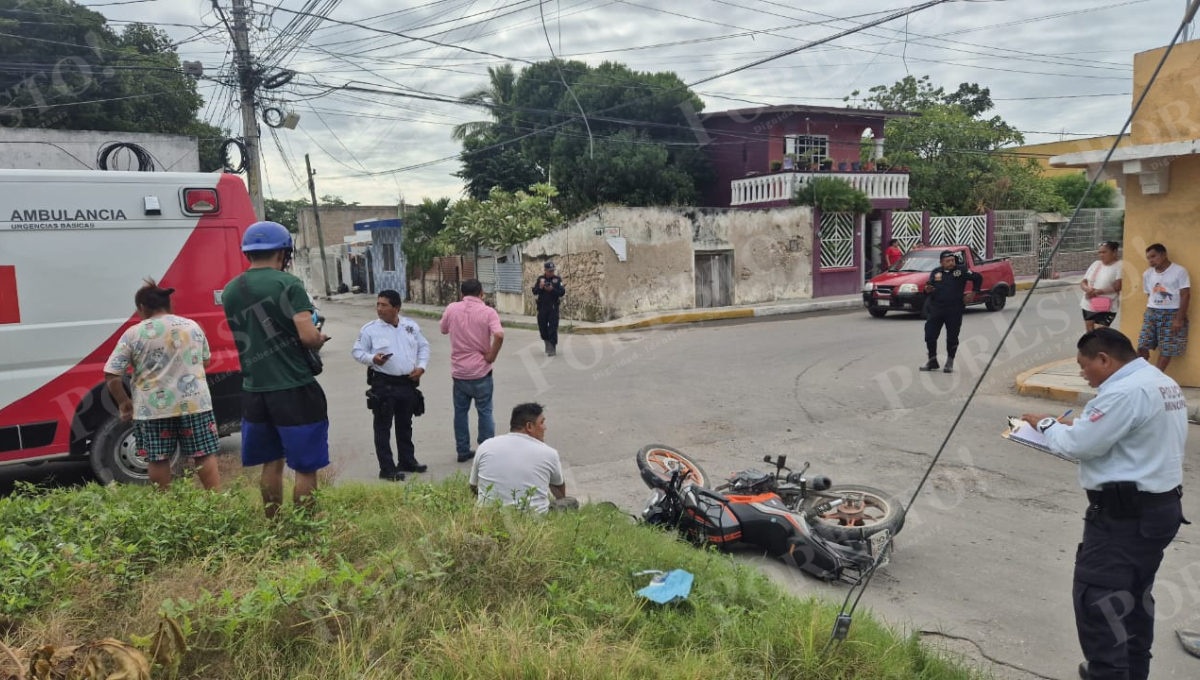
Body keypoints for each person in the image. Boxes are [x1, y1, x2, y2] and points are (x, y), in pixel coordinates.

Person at [1022, 328, 1186, 680]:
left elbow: (1078, 446)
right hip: (1157, 511)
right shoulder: (1156, 379)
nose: (1082, 374)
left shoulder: (1123, 392)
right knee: (1133, 602)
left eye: (1084, 366)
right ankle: (1130, 670)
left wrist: (1048, 424)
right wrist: (1076, 426)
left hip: (1123, 518)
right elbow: (1124, 434)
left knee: (1100, 603)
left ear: (1104, 359)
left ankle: (1108, 672)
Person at [222, 221, 331, 518]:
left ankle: (275, 524)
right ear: (283, 252)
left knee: (272, 461)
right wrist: (318, 339)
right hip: (294, 388)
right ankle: (304, 528)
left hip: (254, 390)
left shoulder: (232, 290)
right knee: (306, 467)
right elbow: (308, 338)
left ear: (249, 253)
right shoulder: (289, 284)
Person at [103, 279, 221, 491]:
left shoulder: (133, 334)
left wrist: (124, 402)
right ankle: (217, 503)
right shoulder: (192, 327)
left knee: (157, 459)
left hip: (152, 409)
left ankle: (166, 509)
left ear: (141, 307)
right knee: (203, 454)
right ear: (170, 304)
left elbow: (111, 374)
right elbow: (205, 361)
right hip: (195, 403)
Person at [352, 290, 431, 480]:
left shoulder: (410, 326)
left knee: (405, 424)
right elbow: (357, 352)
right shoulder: (370, 329)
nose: (379, 309)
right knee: (383, 427)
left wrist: (421, 367)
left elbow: (424, 346)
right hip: (383, 383)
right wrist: (373, 359)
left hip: (407, 382)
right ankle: (387, 468)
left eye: (384, 305)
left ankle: (407, 461)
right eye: (378, 304)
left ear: (396, 308)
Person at [469, 402, 577, 513]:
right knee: (571, 502)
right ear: (529, 426)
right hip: (534, 518)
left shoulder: (486, 446)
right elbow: (559, 492)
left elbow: (473, 486)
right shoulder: (549, 453)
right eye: (542, 422)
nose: (545, 427)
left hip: (490, 516)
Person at [439, 279, 504, 463]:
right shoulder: (488, 312)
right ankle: (486, 451)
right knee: (484, 411)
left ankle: (462, 450)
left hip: (459, 371)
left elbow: (443, 329)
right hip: (481, 370)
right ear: (481, 293)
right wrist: (492, 355)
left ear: (461, 294)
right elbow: (499, 334)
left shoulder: (452, 308)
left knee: (460, 412)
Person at [920, 250, 983, 374]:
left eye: (952, 260)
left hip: (954, 309)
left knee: (952, 337)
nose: (951, 263)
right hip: (936, 309)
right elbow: (929, 288)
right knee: (930, 336)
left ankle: (950, 362)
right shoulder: (936, 272)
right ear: (941, 262)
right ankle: (932, 361)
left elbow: (978, 278)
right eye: (948, 261)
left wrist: (973, 293)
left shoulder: (961, 271)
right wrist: (927, 290)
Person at [1139, 243, 1190, 371]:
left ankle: (1155, 377)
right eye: (1148, 258)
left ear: (1164, 255)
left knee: (1167, 348)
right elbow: (1149, 294)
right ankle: (1140, 372)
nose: (1151, 260)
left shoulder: (1179, 271)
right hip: (1152, 312)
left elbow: (1186, 295)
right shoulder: (1147, 274)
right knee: (1142, 344)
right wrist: (1153, 309)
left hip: (1172, 313)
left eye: (1153, 256)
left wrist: (1179, 319)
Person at [1080, 241, 1123, 332]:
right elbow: (1083, 281)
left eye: (1104, 252)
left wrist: (1096, 292)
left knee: (1100, 333)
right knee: (1090, 333)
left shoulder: (1120, 265)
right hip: (1089, 304)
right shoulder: (1096, 264)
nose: (1101, 255)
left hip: (1107, 307)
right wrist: (1087, 289)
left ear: (1114, 252)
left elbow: (1117, 286)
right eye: (1099, 252)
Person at [533, 261, 566, 356]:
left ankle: (552, 347)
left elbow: (562, 292)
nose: (551, 272)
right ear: (545, 270)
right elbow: (534, 291)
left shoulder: (557, 279)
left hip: (553, 307)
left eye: (552, 271)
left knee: (553, 328)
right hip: (542, 307)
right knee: (542, 327)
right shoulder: (540, 279)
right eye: (549, 271)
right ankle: (546, 342)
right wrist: (540, 287)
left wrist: (552, 290)